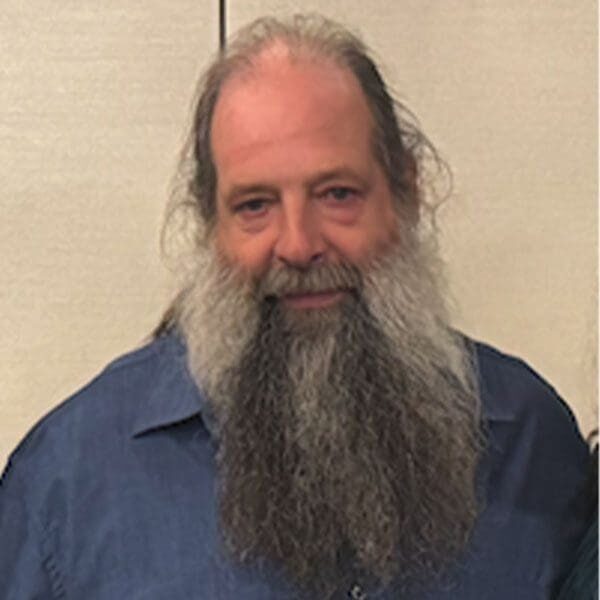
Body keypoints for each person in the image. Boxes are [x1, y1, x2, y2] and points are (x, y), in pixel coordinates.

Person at [0, 14, 592, 600]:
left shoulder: (532, 446)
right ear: (211, 225)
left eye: (337, 194)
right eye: (255, 205)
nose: (299, 244)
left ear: (407, 192)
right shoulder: (68, 483)